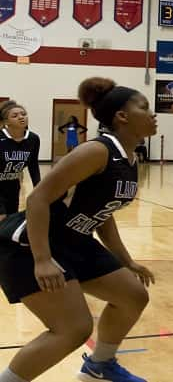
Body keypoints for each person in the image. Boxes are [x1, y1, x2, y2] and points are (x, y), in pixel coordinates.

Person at [0, 77, 156, 382]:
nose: (153, 115)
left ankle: (99, 365)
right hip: (29, 243)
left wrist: (126, 261)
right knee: (73, 329)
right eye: (145, 107)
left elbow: (103, 213)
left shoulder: (129, 158)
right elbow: (37, 199)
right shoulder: (97, 151)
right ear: (122, 117)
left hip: (75, 241)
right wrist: (43, 259)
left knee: (133, 295)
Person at [0, 102, 41, 219]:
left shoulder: (33, 139)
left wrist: (38, 188)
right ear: (6, 122)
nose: (21, 117)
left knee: (12, 218)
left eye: (23, 114)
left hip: (13, 184)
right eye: (15, 115)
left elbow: (33, 165)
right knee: (2, 217)